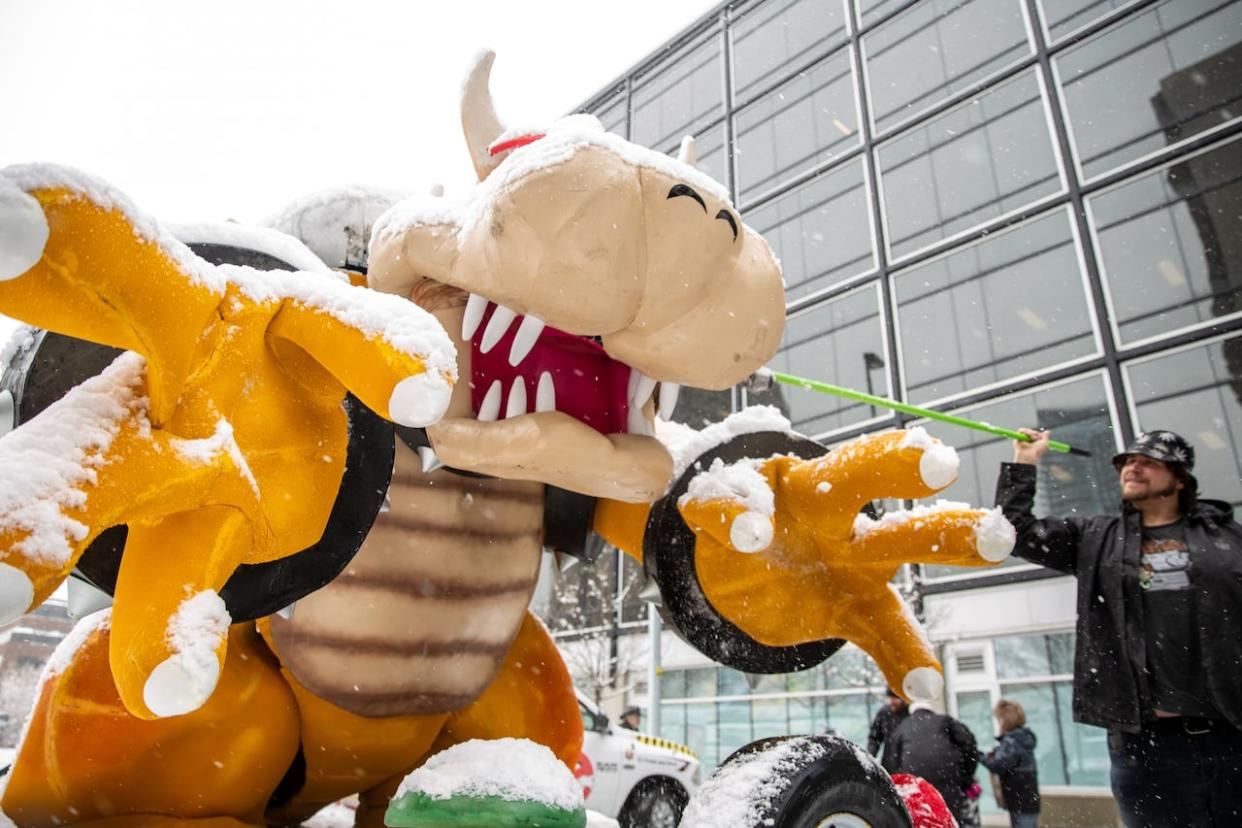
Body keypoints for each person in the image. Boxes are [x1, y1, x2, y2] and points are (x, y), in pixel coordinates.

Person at [996, 428, 1242, 827]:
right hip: (1145, 748)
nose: (1133, 467)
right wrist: (1024, 462)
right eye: (1128, 461)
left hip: (1230, 737)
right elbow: (1013, 534)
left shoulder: (1226, 538)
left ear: (1179, 479)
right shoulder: (1096, 538)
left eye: (1148, 461)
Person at [885, 701, 979, 827]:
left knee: (922, 820)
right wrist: (966, 775)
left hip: (916, 784)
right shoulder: (945, 721)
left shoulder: (902, 726)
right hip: (947, 779)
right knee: (951, 818)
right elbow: (969, 744)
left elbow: (891, 761)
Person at [978, 698, 1040, 828]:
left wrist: (978, 755)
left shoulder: (1012, 741)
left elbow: (998, 765)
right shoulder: (1023, 737)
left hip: (1019, 801)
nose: (999, 724)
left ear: (1006, 721)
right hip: (1028, 800)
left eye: (1000, 720)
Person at [867, 687, 909, 769]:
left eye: (895, 698)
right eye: (890, 698)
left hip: (906, 766)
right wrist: (870, 757)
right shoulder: (884, 713)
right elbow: (874, 739)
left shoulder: (911, 715)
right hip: (888, 765)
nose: (891, 702)